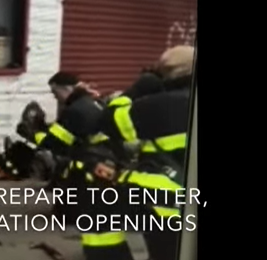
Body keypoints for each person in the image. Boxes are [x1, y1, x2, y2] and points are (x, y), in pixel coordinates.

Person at [77, 45, 195, 260]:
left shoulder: (160, 105)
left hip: (169, 201)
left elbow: (107, 121)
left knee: (98, 207)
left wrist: (137, 90)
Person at [15, 72, 115, 220]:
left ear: (66, 89)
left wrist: (32, 133)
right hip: (105, 158)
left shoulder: (74, 110)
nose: (55, 97)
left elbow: (55, 143)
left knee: (66, 211)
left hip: (88, 163)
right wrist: (46, 128)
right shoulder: (90, 102)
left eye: (55, 92)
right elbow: (70, 131)